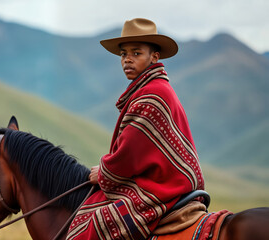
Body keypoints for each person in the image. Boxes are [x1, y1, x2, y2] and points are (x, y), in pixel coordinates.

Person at [67, 18, 205, 240]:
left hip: (162, 187)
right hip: (165, 181)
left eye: (136, 53)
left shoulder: (151, 96)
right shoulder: (152, 89)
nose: (127, 60)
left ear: (154, 57)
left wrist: (103, 172)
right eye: (123, 54)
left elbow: (128, 155)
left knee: (90, 226)